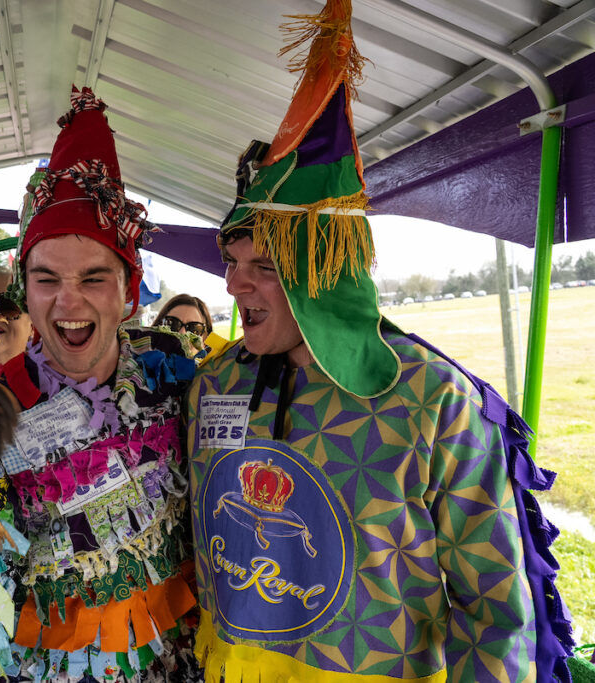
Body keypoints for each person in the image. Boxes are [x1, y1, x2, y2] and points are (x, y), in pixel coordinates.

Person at [187, 3, 574, 682]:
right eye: (231, 261)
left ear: (324, 277)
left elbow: (496, 610)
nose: (232, 285)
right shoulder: (215, 383)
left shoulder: (434, 401)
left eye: (264, 268)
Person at [0, 86, 202, 683]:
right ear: (26, 295)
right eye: (46, 279)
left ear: (128, 290)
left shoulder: (171, 369)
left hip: (180, 658)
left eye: (94, 277)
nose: (69, 301)